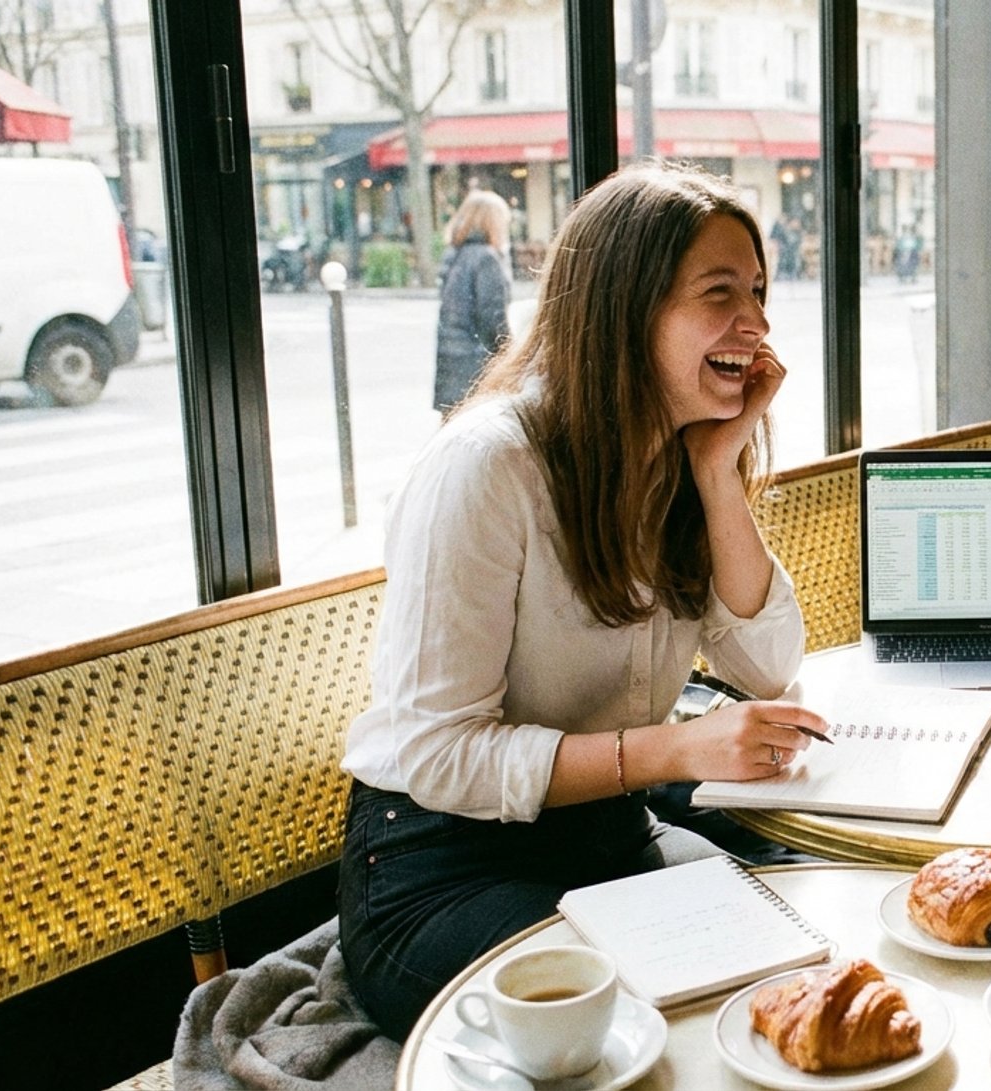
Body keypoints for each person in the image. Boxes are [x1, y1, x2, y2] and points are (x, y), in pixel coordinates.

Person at [340, 163, 827, 1039]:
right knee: (640, 1028)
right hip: (440, 865)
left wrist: (720, 477)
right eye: (720, 295)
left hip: (606, 838)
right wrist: (674, 747)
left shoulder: (680, 455)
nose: (755, 327)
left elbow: (770, 663)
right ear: (622, 309)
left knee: (793, 964)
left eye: (758, 292)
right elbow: (442, 756)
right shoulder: (488, 466)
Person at [432, 190, 513, 412]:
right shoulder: (486, 258)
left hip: (451, 361)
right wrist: (511, 357)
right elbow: (492, 318)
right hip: (476, 365)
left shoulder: (455, 254)